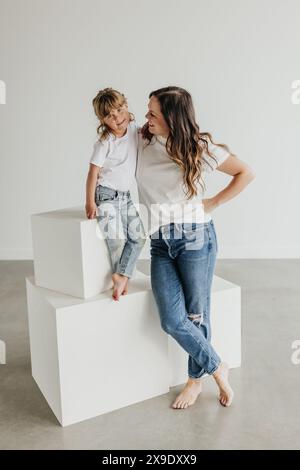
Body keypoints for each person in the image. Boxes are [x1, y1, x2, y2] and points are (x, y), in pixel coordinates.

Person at [136, 86, 255, 408]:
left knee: (196, 313)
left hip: (195, 238)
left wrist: (214, 202)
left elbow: (246, 172)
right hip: (160, 241)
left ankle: (194, 380)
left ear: (172, 118)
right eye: (147, 111)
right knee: (172, 320)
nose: (146, 118)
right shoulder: (142, 140)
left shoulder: (200, 147)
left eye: (153, 114)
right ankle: (217, 366)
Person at [85, 88, 146, 301]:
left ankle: (122, 275)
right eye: (109, 115)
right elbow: (93, 172)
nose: (117, 118)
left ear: (126, 106)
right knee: (117, 241)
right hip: (106, 196)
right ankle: (121, 278)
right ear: (103, 120)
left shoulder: (136, 130)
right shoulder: (105, 142)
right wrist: (90, 201)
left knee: (138, 237)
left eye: (119, 110)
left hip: (125, 197)